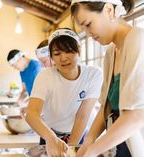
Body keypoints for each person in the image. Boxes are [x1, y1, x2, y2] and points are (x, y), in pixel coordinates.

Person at [71, 0, 144, 157]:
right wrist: (88, 141)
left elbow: (137, 115)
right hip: (120, 145)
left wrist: (93, 151)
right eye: (83, 29)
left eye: (88, 24)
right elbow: (106, 107)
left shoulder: (139, 40)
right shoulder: (111, 53)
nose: (88, 34)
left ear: (109, 10)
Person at [25, 28, 103, 157]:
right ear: (51, 57)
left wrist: (70, 149)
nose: (63, 58)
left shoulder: (93, 74)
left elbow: (82, 116)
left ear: (78, 51)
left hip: (81, 134)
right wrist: (51, 138)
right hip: (50, 134)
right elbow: (31, 113)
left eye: (69, 51)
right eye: (57, 53)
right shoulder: (45, 76)